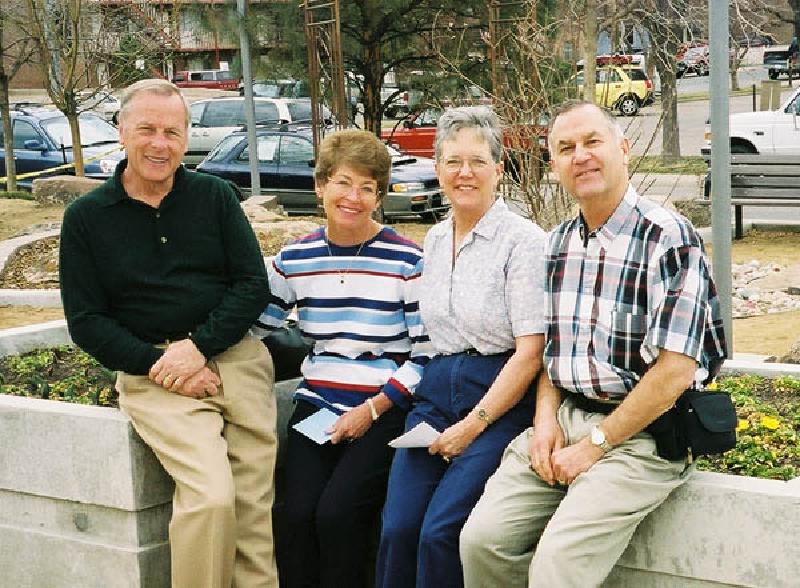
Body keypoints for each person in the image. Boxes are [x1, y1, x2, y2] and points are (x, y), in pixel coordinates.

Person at [459, 100, 728, 588]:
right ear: (554, 166)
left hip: (644, 434)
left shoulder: (667, 237)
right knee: (481, 543)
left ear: (623, 150)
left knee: (558, 568)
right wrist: (544, 425)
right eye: (565, 148)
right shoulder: (559, 242)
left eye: (592, 142)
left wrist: (595, 446)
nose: (580, 156)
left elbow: (674, 372)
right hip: (565, 418)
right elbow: (552, 356)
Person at [59, 79, 277, 588]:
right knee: (211, 497)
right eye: (148, 130)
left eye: (172, 132)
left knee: (253, 509)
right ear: (121, 132)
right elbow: (86, 322)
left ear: (186, 137)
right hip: (153, 373)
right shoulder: (87, 218)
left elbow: (251, 285)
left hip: (235, 358)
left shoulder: (215, 196)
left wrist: (199, 348)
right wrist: (165, 365)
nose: (161, 144)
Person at [253, 129, 433, 588]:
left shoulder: (407, 260)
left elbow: (427, 353)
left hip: (385, 408)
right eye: (344, 183)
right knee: (293, 515)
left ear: (378, 197)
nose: (354, 197)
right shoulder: (295, 259)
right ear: (320, 186)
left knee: (337, 515)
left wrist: (373, 408)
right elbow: (256, 325)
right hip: (318, 403)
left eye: (367, 188)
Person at [375, 106, 547, 588]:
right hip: (435, 396)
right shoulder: (433, 238)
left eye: (477, 161)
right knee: (398, 527)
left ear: (497, 168)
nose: (464, 173)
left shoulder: (523, 242)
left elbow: (531, 352)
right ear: (437, 168)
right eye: (452, 161)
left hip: (499, 399)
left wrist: (473, 426)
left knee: (440, 532)